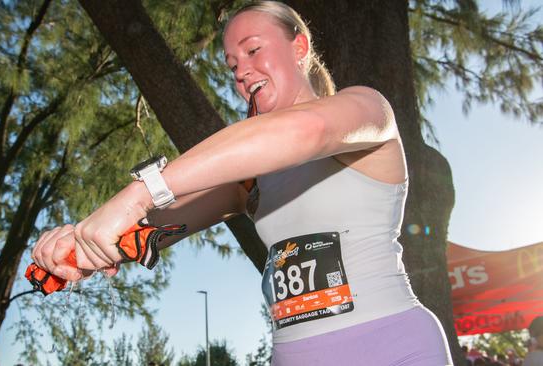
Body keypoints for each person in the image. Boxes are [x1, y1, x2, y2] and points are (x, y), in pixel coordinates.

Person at [32, 1, 452, 365]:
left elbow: (306, 132)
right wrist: (80, 248)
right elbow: (146, 232)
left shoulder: (365, 109)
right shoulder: (248, 181)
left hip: (393, 350)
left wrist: (137, 194)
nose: (242, 72)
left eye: (253, 50)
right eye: (232, 66)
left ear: (299, 47)